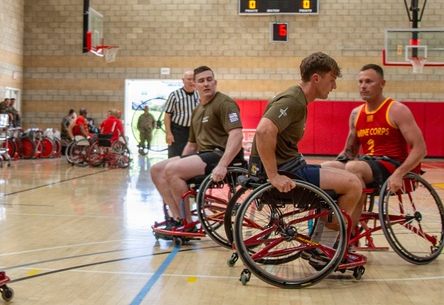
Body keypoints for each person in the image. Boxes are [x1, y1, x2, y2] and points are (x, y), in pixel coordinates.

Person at [252, 52, 365, 249]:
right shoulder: (293, 100)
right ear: (316, 78)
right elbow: (263, 131)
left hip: (290, 165)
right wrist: (273, 176)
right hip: (287, 170)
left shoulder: (297, 99)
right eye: (332, 80)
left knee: (342, 176)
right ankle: (326, 248)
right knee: (353, 184)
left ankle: (320, 244)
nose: (334, 86)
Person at [150, 66, 245, 227]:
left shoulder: (225, 103)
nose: (206, 84)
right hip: (204, 155)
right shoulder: (198, 110)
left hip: (221, 156)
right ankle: (177, 218)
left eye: (209, 80)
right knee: (157, 169)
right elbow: (191, 145)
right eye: (201, 81)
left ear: (215, 83)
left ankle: (188, 224)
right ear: (194, 85)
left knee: (172, 169)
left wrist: (223, 165)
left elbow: (237, 135)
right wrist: (181, 161)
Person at [322, 63, 428, 195]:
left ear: (382, 84)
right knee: (327, 168)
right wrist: (332, 169)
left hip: (393, 164)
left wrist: (399, 173)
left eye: (368, 82)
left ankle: (355, 215)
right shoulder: (356, 113)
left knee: (354, 167)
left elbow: (420, 149)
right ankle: (332, 214)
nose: (363, 86)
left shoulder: (397, 110)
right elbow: (350, 152)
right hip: (368, 163)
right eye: (360, 82)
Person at [164, 70, 199, 158]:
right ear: (183, 80)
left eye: (193, 79)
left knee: (191, 157)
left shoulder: (199, 95)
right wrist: (168, 133)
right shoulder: (174, 95)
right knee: (175, 157)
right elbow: (167, 116)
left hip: (193, 131)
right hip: (177, 131)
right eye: (189, 79)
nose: (191, 82)